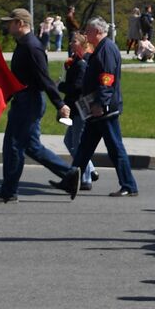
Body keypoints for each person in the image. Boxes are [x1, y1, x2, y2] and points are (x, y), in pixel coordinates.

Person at [0, 8, 77, 204]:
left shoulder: (31, 47)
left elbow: (44, 78)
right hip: (25, 100)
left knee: (13, 146)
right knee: (31, 146)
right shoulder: (24, 44)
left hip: (29, 102)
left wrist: (60, 104)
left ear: (20, 23)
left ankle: (8, 193)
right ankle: (69, 174)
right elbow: (18, 78)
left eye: (10, 22)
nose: (7, 25)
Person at [62, 18, 139, 197]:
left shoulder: (106, 49)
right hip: (96, 110)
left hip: (104, 110)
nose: (85, 34)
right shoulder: (101, 48)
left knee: (115, 148)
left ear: (97, 31)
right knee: (83, 149)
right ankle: (68, 181)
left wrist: (101, 104)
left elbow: (107, 78)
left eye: (88, 30)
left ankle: (129, 186)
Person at [53, 32, 98, 192]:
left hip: (80, 107)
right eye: (71, 41)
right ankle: (91, 169)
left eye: (74, 41)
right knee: (69, 141)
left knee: (78, 144)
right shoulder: (76, 61)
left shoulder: (82, 64)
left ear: (81, 44)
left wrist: (60, 86)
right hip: (73, 108)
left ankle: (85, 179)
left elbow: (78, 87)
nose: (71, 44)